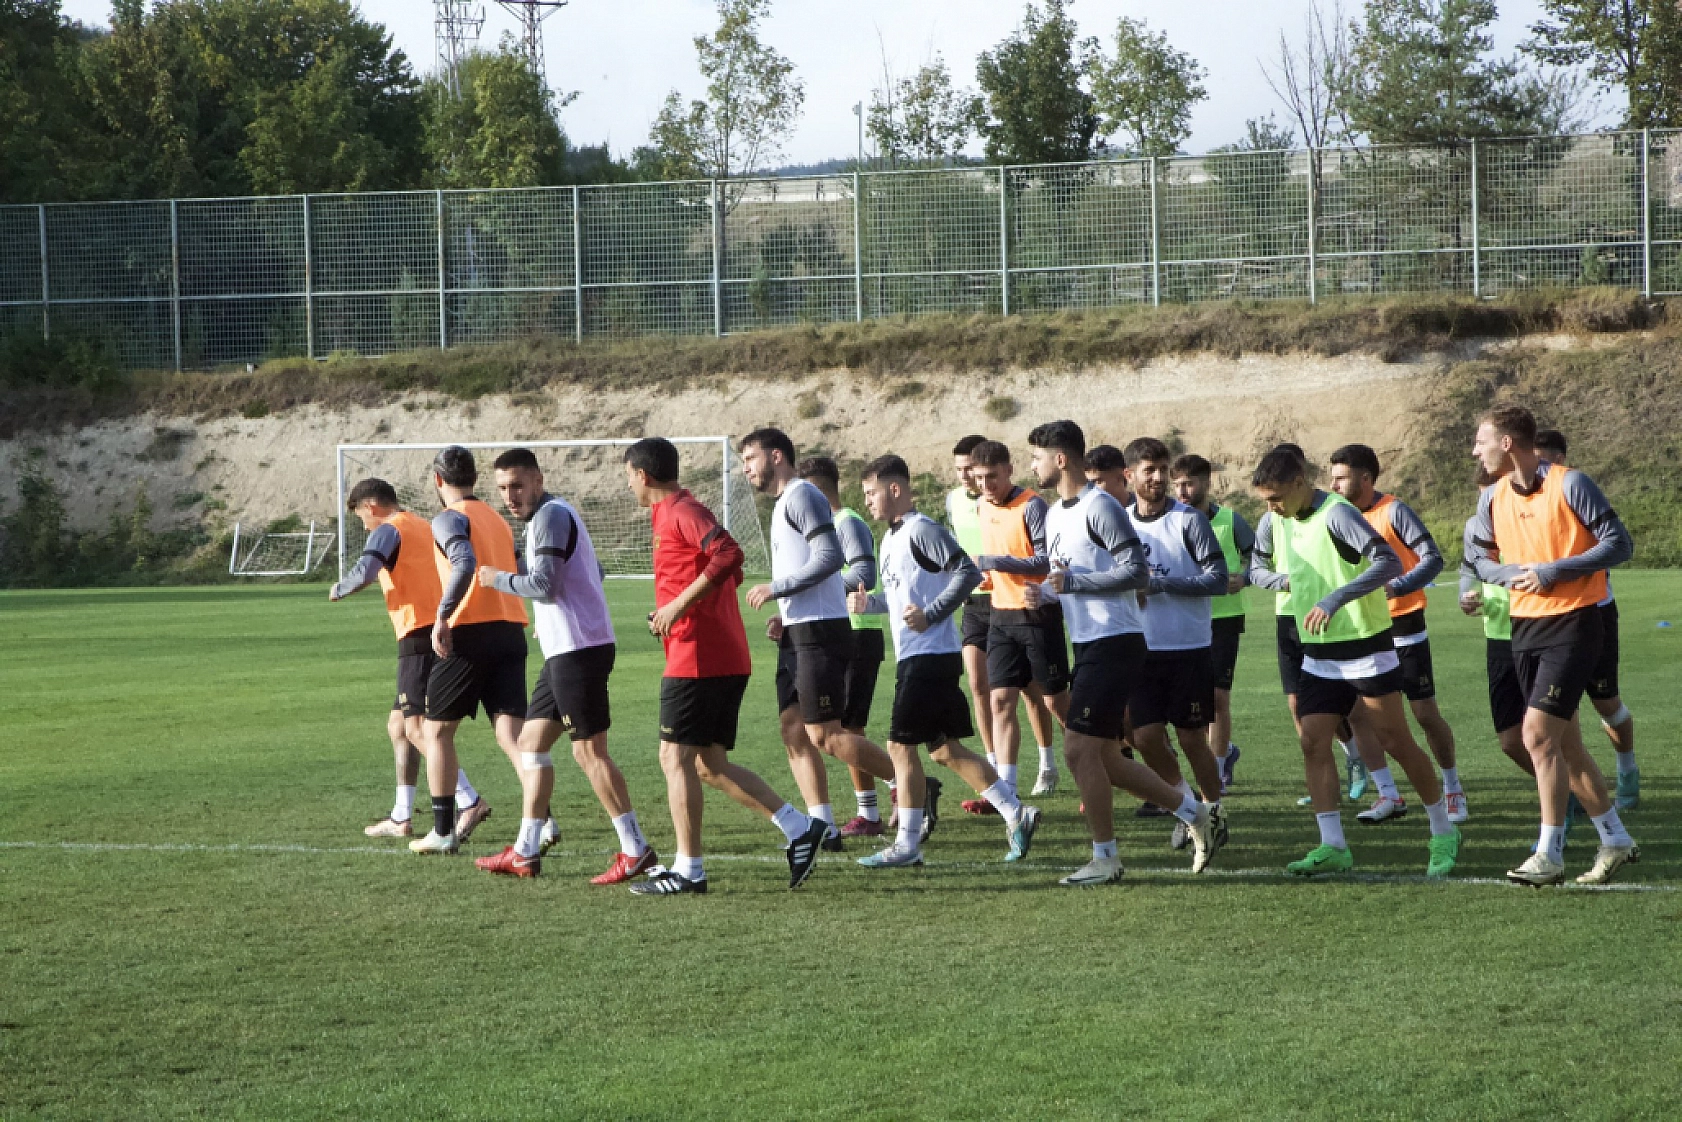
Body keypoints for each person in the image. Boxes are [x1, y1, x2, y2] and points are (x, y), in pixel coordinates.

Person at [623, 437, 829, 895]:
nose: (630, 487)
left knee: (673, 757)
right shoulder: (672, 514)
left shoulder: (682, 511)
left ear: (642, 475)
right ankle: (799, 829)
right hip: (712, 653)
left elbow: (730, 556)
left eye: (629, 478)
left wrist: (678, 608)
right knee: (709, 765)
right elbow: (726, 576)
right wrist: (674, 611)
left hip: (700, 658)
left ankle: (689, 871)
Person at [1249, 449, 1461, 879]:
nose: (1270, 508)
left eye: (1274, 498)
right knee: (1313, 742)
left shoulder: (1337, 513)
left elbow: (1387, 561)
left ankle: (1442, 831)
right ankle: (1333, 846)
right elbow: (1268, 566)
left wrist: (1335, 597)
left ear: (1298, 483)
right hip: (1319, 652)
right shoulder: (1281, 519)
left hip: (1365, 644)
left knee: (1396, 741)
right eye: (1265, 501)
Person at [1029, 420, 1217, 886]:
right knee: (1107, 758)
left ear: (1060, 459)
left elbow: (1134, 570)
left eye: (1035, 457)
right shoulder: (1055, 515)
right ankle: (1197, 813)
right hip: (1088, 641)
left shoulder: (1101, 507)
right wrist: (1046, 594)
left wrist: (1072, 583)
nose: (1030, 465)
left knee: (1077, 749)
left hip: (1116, 642)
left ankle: (1106, 858)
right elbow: (1068, 578)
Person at [1467, 406, 1638, 886]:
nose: (1475, 451)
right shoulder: (1494, 497)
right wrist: (1506, 575)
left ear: (1507, 444)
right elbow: (1478, 557)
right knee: (1567, 747)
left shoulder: (1571, 484)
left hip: (1575, 624)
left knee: (1536, 737)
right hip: (1524, 628)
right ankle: (1615, 838)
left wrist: (1553, 570)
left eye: (1481, 441)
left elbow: (1620, 545)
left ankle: (1550, 853)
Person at [847, 454, 1040, 867]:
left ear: (894, 489)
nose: (867, 503)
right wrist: (872, 602)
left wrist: (933, 613)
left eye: (870, 493)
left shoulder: (923, 529)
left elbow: (968, 574)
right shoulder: (892, 538)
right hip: (919, 656)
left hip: (930, 657)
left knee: (899, 746)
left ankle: (907, 844)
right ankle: (1015, 812)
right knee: (943, 750)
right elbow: (905, 601)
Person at [472, 449, 655, 883]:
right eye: (501, 488)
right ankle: (525, 850)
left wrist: (495, 578)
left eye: (517, 485)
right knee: (531, 743)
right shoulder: (547, 518)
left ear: (537, 479)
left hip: (579, 651)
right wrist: (552, 620)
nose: (509, 496)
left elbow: (545, 585)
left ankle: (635, 849)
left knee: (589, 751)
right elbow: (591, 573)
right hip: (565, 649)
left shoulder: (551, 516)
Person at [740, 429, 901, 848]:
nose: (745, 468)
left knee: (825, 734)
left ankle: (909, 781)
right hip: (800, 627)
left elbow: (829, 558)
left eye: (750, 458)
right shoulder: (783, 505)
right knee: (792, 729)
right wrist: (785, 614)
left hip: (823, 631)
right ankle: (823, 825)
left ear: (777, 456)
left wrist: (778, 588)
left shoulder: (802, 496)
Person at [328, 478, 486, 839]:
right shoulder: (424, 523)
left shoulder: (388, 529)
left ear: (370, 506)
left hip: (418, 635)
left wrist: (340, 588)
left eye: (360, 518)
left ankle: (469, 800)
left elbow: (365, 573)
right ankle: (402, 816)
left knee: (417, 729)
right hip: (440, 629)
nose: (364, 525)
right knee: (399, 727)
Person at [1327, 444, 1466, 825]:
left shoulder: (1394, 510)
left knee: (1423, 713)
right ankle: (1388, 793)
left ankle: (1452, 787)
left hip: (1403, 626)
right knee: (1361, 716)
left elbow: (1433, 558)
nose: (1333, 485)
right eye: (1332, 478)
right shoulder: (1335, 515)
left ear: (1365, 478)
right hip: (1361, 629)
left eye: (1341, 477)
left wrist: (1399, 587)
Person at [409, 447, 529, 855]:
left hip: (469, 630)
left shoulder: (448, 518)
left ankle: (443, 830)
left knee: (436, 730)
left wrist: (443, 615)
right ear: (476, 479)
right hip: (511, 627)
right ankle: (542, 821)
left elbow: (464, 563)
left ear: (439, 481)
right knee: (511, 733)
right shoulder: (497, 519)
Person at [793, 457, 910, 843]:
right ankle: (870, 810)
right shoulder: (826, 528)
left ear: (817, 489)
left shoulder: (848, 524)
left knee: (844, 729)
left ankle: (901, 786)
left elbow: (864, 576)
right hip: (837, 633)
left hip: (858, 634)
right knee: (842, 729)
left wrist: (814, 587)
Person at [1121, 438, 1230, 853]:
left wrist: (1160, 584)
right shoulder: (1121, 521)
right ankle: (1189, 809)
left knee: (1190, 739)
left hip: (1188, 648)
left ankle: (1214, 808)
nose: (1157, 477)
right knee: (1145, 737)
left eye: (1161, 469)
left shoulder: (1189, 521)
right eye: (1147, 470)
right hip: (1141, 649)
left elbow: (1218, 579)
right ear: (1129, 476)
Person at [948, 436, 1061, 808]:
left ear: (1009, 470)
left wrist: (996, 563)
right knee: (999, 701)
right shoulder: (982, 505)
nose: (985, 486)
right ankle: (1007, 789)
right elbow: (997, 563)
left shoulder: (1033, 506)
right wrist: (990, 577)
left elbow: (1044, 561)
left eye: (991, 477)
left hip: (1036, 616)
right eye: (979, 479)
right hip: (1000, 615)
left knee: (1056, 704)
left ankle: (1102, 758)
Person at [1252, 444, 1367, 807]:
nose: (1274, 504)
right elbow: (1255, 567)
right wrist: (1283, 582)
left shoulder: (1328, 512)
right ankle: (1321, 774)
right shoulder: (1271, 517)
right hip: (1288, 615)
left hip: (1327, 616)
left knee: (1348, 704)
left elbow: (1375, 560)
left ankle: (1360, 762)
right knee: (1298, 702)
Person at [1534, 429, 1640, 810]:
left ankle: (1626, 770)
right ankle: (1573, 792)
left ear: (1563, 459)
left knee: (1606, 702)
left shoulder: (1578, 493)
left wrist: (1558, 569)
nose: (1540, 469)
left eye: (1547, 460)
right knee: (1555, 712)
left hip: (1594, 612)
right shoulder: (1525, 501)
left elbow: (1615, 545)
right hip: (1549, 619)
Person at [1170, 454, 1253, 794]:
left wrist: (1244, 578)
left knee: (1218, 698)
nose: (1182, 491)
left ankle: (1216, 772)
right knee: (1189, 703)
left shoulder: (1231, 521)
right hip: (1183, 619)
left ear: (1207, 482)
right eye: (1177, 485)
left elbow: (1257, 556)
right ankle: (1224, 752)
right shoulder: (1171, 520)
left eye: (1188, 483)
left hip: (1223, 618)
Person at [1459, 470, 1533, 778]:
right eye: (1481, 494)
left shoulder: (1528, 521)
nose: (1486, 501)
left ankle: (1569, 794)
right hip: (1498, 635)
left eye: (1491, 492)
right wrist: (1465, 595)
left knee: (1549, 731)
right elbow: (1468, 569)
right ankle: (1562, 787)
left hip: (1536, 629)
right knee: (1509, 740)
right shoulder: (1475, 527)